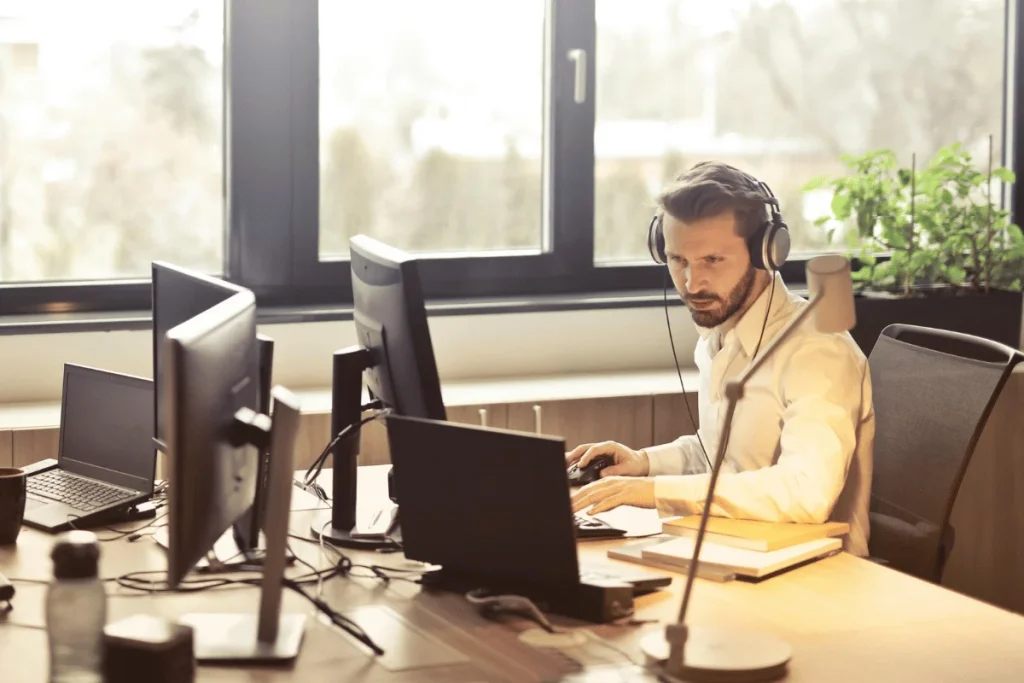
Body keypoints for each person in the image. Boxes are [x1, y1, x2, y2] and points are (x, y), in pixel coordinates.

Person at [567, 161, 874, 556]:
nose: (692, 284)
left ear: (767, 252)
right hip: (732, 548)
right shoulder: (720, 335)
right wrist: (643, 464)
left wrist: (654, 492)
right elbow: (721, 456)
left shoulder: (817, 350)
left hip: (816, 573)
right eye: (678, 261)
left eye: (712, 260)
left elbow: (806, 493)